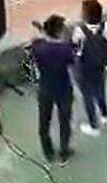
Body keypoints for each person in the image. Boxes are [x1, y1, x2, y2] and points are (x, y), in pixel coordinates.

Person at [29, 14, 76, 164]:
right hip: (63, 89)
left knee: (44, 123)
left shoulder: (37, 47)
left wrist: (42, 30)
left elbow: (43, 41)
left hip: (45, 88)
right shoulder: (66, 49)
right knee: (65, 122)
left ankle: (48, 153)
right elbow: (71, 56)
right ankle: (64, 150)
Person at [72, 0, 107, 136]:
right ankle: (104, 113)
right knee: (100, 89)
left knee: (87, 96)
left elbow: (75, 49)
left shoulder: (79, 31)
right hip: (100, 65)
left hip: (84, 70)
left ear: (85, 16)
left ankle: (93, 125)